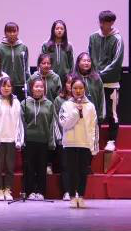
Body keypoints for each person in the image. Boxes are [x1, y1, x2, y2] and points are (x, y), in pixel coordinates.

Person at [59, 77, 99, 208]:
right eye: (75, 88)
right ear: (70, 89)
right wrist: (76, 111)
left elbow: (94, 127)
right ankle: (72, 196)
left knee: (82, 172)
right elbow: (65, 123)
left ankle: (81, 196)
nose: (78, 91)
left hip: (85, 143)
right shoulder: (66, 105)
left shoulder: (90, 106)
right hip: (70, 143)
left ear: (84, 89)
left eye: (80, 88)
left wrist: (93, 146)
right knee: (71, 171)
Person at [88, 10, 124, 152]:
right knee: (93, 111)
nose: (103, 25)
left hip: (111, 83)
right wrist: (92, 75)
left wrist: (100, 74)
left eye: (107, 23)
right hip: (95, 83)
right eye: (102, 22)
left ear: (112, 23)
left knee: (111, 113)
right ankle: (93, 139)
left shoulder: (117, 39)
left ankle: (111, 141)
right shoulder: (93, 37)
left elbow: (117, 62)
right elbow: (89, 57)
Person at [21, 78, 59, 201]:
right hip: (29, 141)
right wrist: (22, 139)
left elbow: (52, 123)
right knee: (29, 168)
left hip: (43, 141)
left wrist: (51, 141)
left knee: (42, 168)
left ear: (44, 89)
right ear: (32, 88)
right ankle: (30, 191)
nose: (39, 89)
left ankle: (41, 192)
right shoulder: (25, 103)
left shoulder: (49, 104)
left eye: (41, 87)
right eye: (36, 86)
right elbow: (21, 122)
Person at [0, 77, 24, 201]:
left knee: (10, 167)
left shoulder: (16, 102)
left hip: (11, 139)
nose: (6, 88)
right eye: (4, 86)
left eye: (9, 86)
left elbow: (19, 122)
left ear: (12, 88)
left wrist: (18, 140)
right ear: (0, 87)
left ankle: (8, 189)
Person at [0, 22, 29, 101]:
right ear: (5, 33)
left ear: (18, 32)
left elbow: (26, 65)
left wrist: (26, 80)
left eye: (14, 31)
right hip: (5, 84)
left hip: (20, 83)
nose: (12, 34)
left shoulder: (23, 47)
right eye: (9, 32)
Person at [53, 73, 74, 200]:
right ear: (64, 84)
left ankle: (75, 191)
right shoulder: (58, 100)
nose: (70, 85)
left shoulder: (82, 100)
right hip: (63, 138)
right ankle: (66, 191)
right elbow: (56, 119)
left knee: (75, 166)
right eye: (68, 82)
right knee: (65, 165)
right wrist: (59, 137)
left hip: (77, 139)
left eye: (73, 82)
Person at [73, 52, 105, 132]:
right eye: (84, 61)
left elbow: (101, 97)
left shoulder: (97, 78)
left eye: (88, 61)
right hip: (77, 117)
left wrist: (101, 115)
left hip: (93, 116)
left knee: (93, 138)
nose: (86, 63)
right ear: (78, 63)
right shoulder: (73, 78)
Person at [41, 20, 74, 87]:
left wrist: (70, 76)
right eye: (57, 28)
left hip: (65, 78)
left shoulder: (68, 46)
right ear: (53, 30)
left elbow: (71, 63)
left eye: (61, 29)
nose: (59, 30)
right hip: (50, 77)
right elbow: (41, 62)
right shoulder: (46, 45)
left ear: (64, 31)